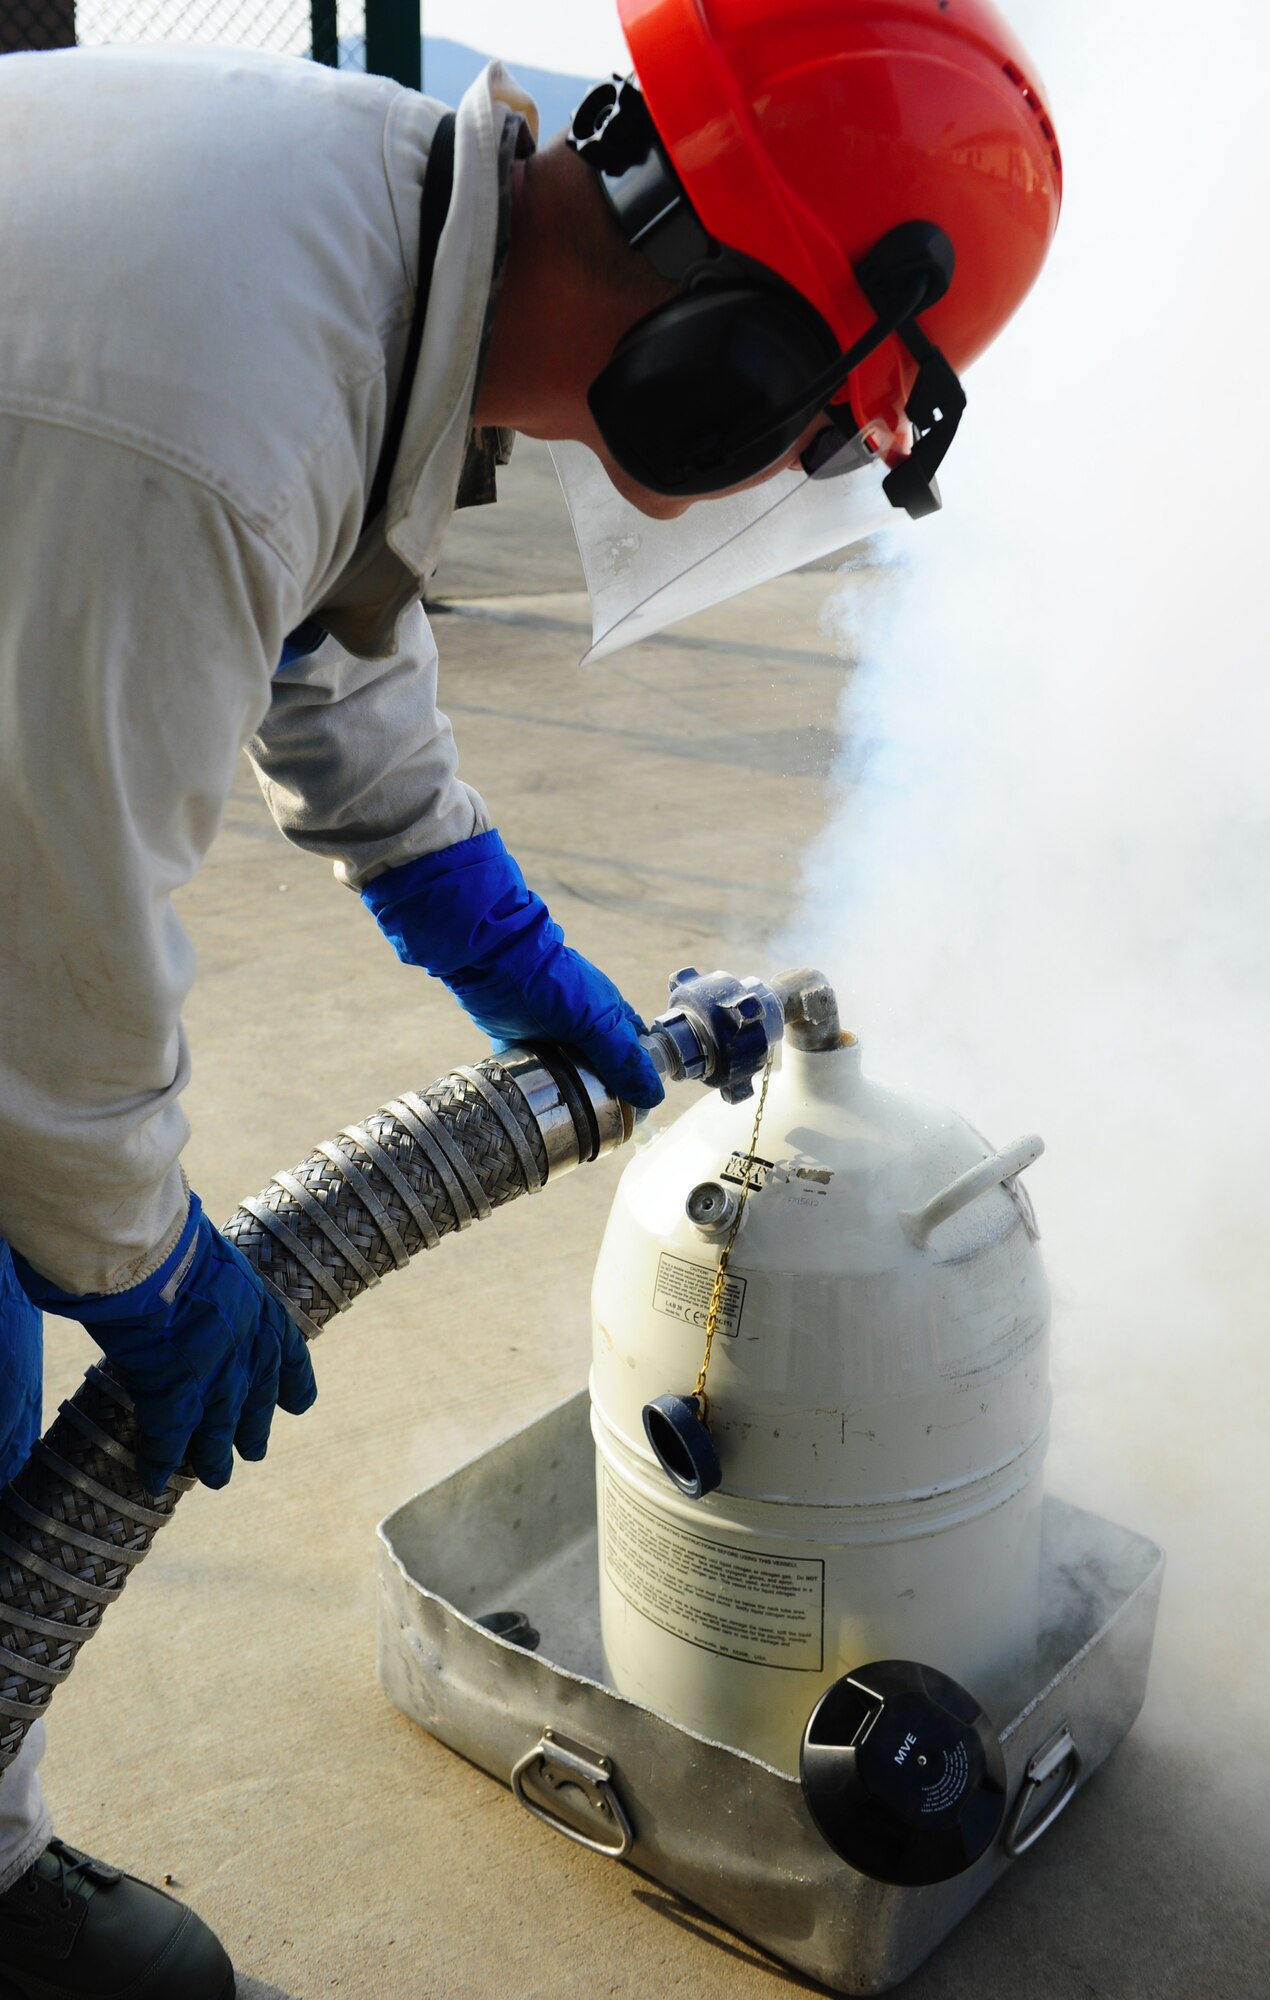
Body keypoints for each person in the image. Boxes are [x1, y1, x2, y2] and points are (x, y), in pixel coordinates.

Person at [0, 2, 1060, 1992]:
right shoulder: (215, 413)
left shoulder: (371, 241)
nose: (782, 462)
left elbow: (336, 598)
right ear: (727, 353)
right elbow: (38, 983)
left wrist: (483, 923)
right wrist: (145, 1271)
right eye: (813, 424)